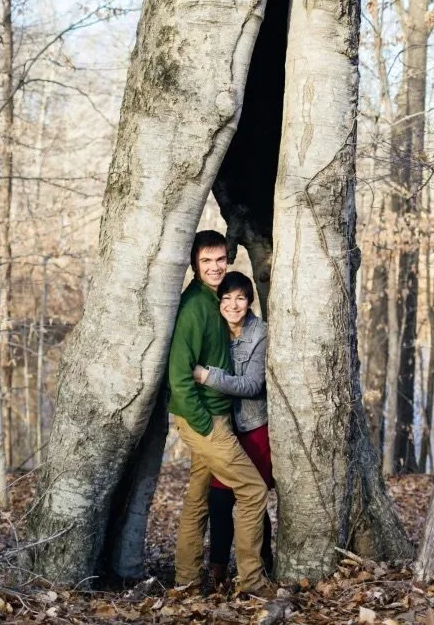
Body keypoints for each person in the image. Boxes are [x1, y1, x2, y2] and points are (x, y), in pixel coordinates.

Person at [167, 231, 272, 597]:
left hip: (216, 416)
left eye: (220, 260)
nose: (214, 267)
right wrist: (202, 424)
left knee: (197, 500)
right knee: (253, 490)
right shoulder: (194, 307)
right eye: (206, 261)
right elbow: (179, 376)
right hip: (206, 420)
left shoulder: (214, 301)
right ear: (194, 263)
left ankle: (186, 577)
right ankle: (251, 581)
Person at [193, 271, 273, 592]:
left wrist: (206, 376)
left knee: (252, 498)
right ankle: (218, 570)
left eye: (240, 297)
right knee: (219, 498)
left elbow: (253, 385)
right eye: (226, 298)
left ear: (250, 300)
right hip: (223, 426)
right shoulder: (213, 328)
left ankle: (262, 564)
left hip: (254, 427)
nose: (233, 304)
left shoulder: (260, 334)